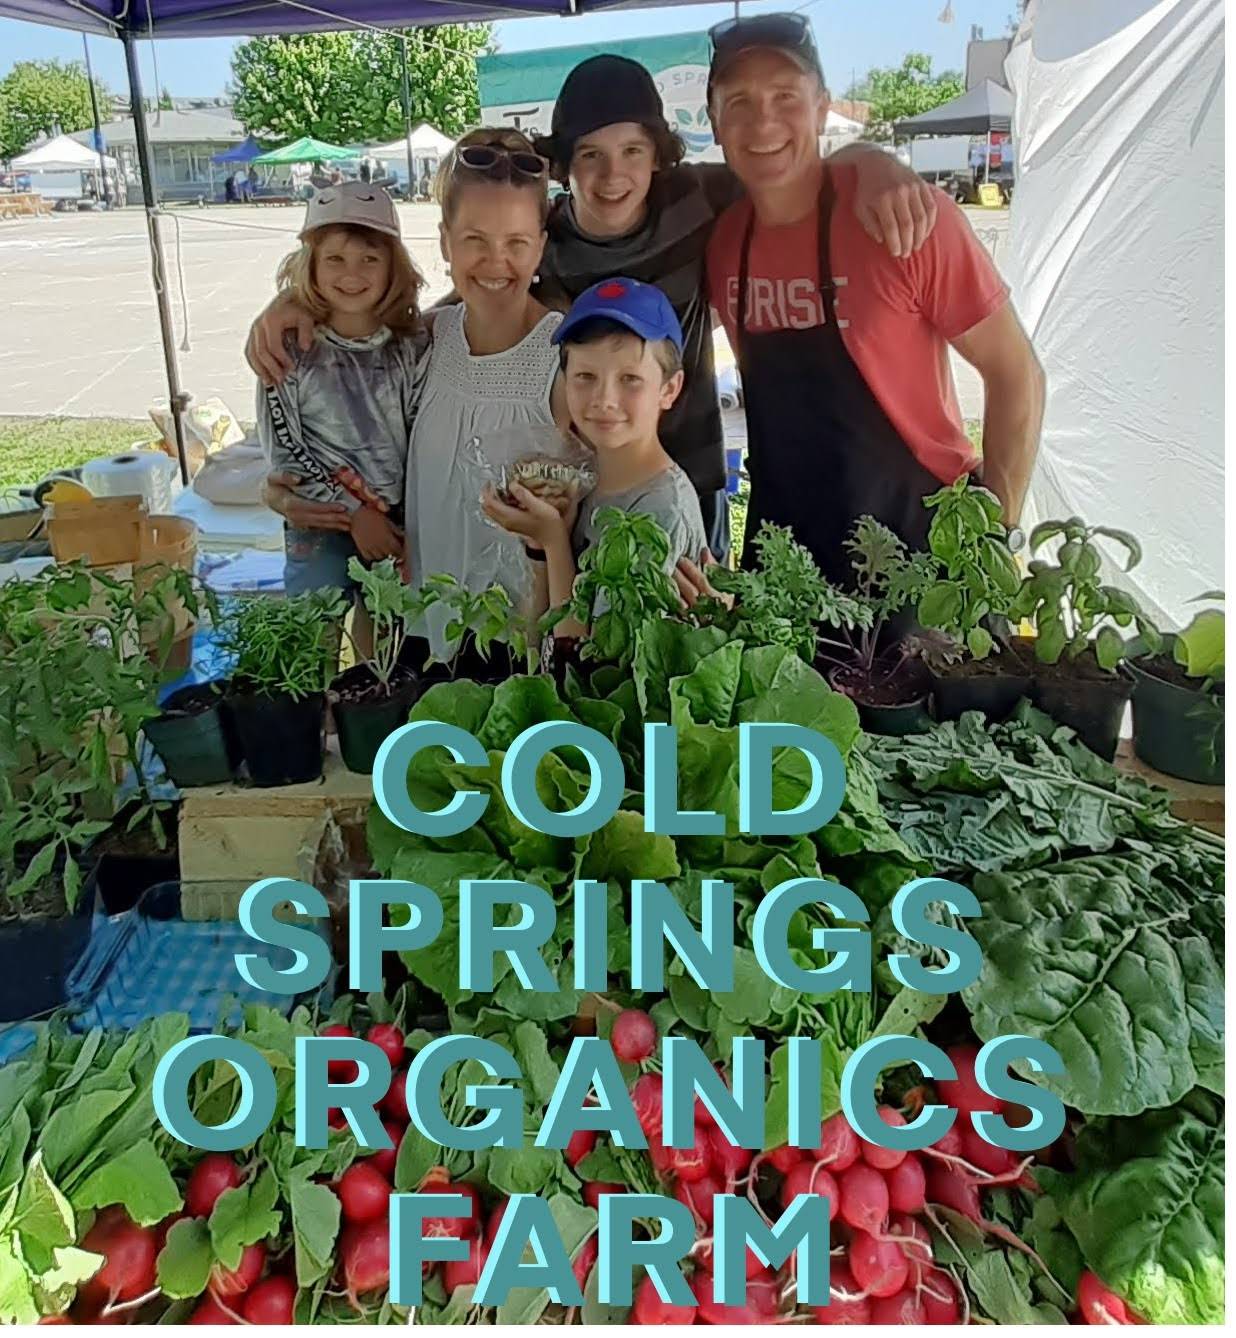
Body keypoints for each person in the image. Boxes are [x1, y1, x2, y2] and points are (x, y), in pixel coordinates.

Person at [247, 57, 940, 568]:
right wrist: (300, 299)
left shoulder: (699, 201)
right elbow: (476, 290)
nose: (613, 175)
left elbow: (791, 174)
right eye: (591, 155)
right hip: (585, 496)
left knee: (681, 615)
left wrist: (873, 163)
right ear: (563, 166)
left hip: (685, 475)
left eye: (633, 151)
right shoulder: (544, 237)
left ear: (658, 154)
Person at [683, 12, 1045, 598]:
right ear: (715, 123)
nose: (764, 121)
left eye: (786, 96)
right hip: (785, 560)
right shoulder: (724, 244)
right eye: (740, 101)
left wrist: (993, 538)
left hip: (923, 554)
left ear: (822, 106)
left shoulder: (905, 219)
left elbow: (1016, 373)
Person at [483, 277, 705, 645]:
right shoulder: (584, 476)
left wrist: (554, 540)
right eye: (585, 376)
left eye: (630, 379)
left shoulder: (661, 510)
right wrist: (540, 544)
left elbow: (593, 661)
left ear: (669, 388)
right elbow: (540, 629)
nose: (604, 399)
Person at [255, 181, 425, 651]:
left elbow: (420, 436)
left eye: (369, 258)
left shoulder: (412, 347)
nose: (352, 273)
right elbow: (283, 449)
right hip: (319, 524)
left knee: (386, 647)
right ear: (309, 265)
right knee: (311, 643)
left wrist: (405, 520)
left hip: (394, 527)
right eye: (335, 259)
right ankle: (313, 723)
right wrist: (353, 514)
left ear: (394, 265)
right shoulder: (287, 349)